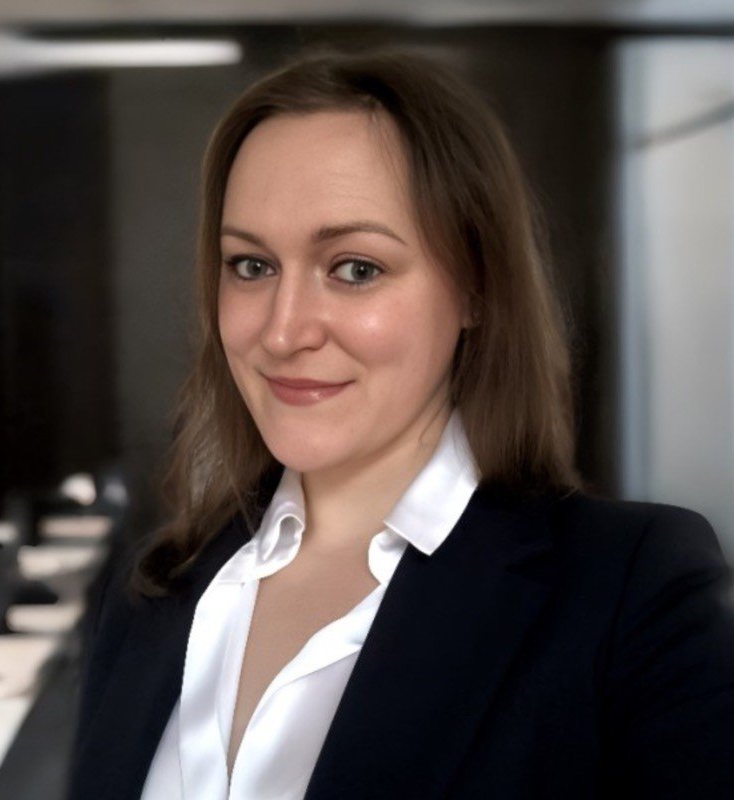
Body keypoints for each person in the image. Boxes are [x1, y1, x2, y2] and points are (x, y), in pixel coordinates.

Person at [66, 47, 734, 799]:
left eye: (356, 269)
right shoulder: (151, 593)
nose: (283, 332)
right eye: (252, 266)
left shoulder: (630, 594)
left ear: (477, 287)